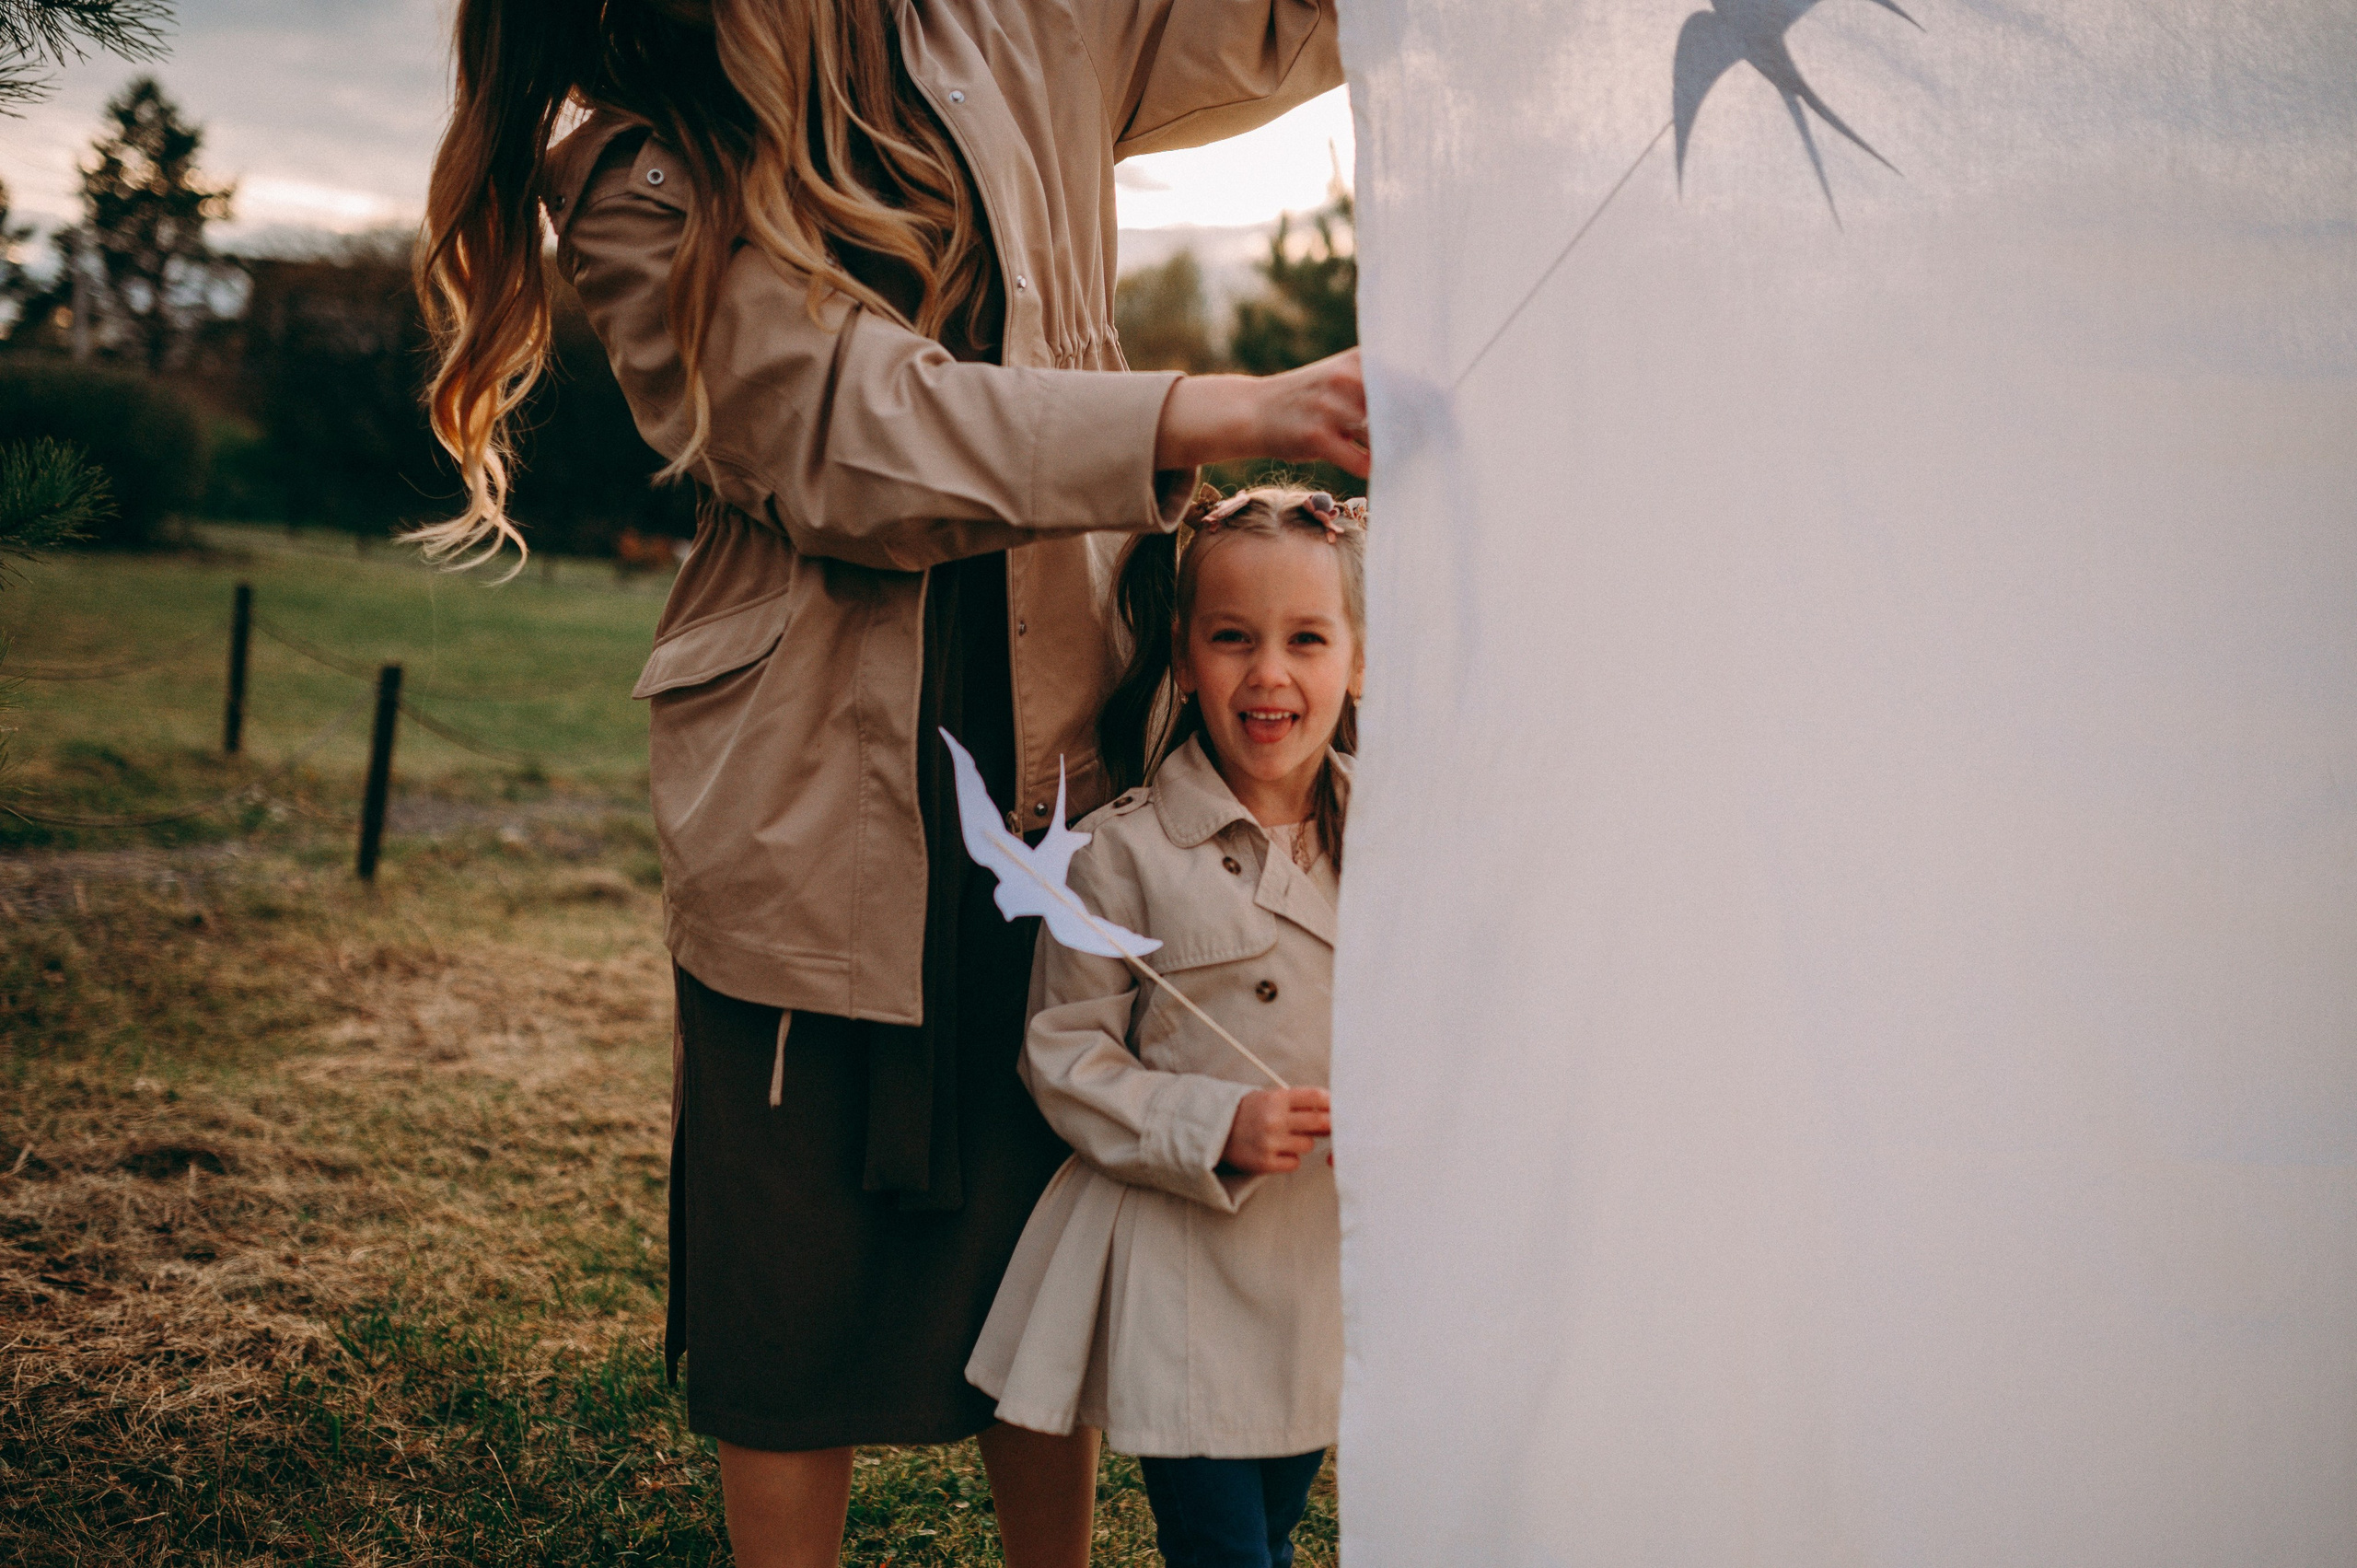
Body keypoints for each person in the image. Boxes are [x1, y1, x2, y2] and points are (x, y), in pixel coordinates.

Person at [410, 1, 1367, 1562]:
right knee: (792, 1302)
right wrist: (1218, 408)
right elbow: (853, 436)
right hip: (810, 808)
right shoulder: (636, 173)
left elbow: (1274, 22)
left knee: (1046, 1227)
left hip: (1061, 767)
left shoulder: (1018, 26)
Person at [968, 486, 1364, 1568]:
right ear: (1183, 658)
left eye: (1306, 638)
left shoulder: (1401, 840)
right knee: (1220, 1545)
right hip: (1183, 1272)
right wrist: (1212, 1122)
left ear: (1358, 662)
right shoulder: (1120, 853)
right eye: (1233, 638)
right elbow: (1064, 1052)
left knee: (1271, 1528)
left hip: (1317, 1267)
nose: (1269, 672)